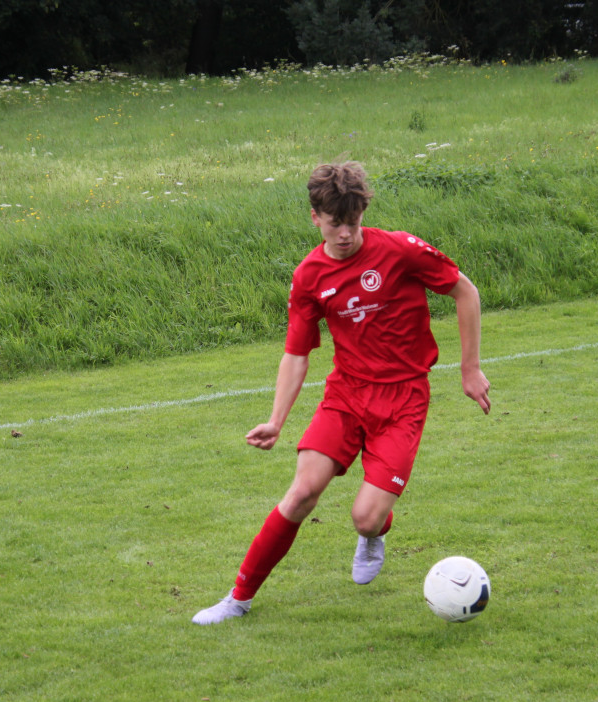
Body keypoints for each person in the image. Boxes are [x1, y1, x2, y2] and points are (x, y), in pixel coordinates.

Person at [192, 161, 491, 625]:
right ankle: (238, 598)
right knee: (300, 495)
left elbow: (464, 292)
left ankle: (375, 534)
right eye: (336, 225)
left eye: (353, 223)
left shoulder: (399, 249)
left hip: (404, 400)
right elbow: (296, 354)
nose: (346, 234)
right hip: (346, 397)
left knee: (365, 518)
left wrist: (469, 369)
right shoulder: (308, 277)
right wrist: (276, 419)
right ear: (315, 217)